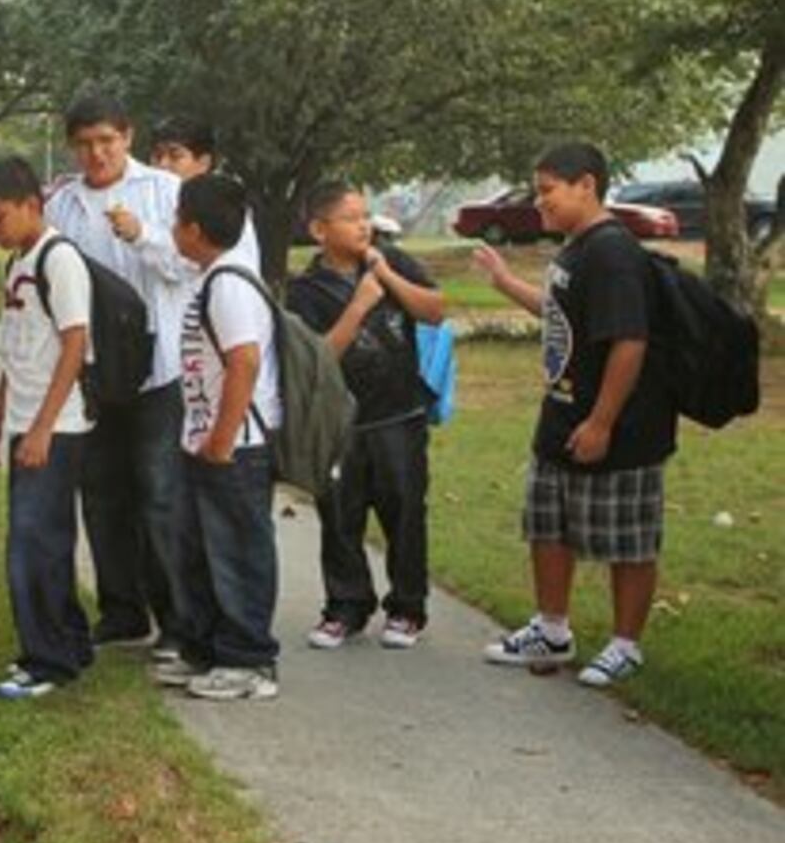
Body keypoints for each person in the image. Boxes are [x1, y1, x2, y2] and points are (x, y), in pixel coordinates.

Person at [44, 99, 260, 658]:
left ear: (127, 137)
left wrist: (143, 236)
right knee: (102, 495)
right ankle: (122, 610)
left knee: (163, 497)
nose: (97, 153)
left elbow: (194, 265)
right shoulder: (63, 204)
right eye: (85, 143)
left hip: (160, 369)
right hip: (94, 373)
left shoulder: (165, 193)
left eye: (107, 141)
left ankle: (181, 621)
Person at [473, 142, 677, 687]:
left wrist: (602, 421)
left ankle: (625, 644)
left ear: (586, 185)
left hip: (621, 428)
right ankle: (552, 628)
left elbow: (629, 341)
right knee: (548, 526)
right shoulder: (576, 248)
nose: (540, 203)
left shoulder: (613, 253)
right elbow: (563, 315)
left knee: (628, 538)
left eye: (547, 191)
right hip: (561, 414)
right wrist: (505, 283)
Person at [286, 182, 446, 649]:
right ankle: (345, 606)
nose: (364, 225)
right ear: (319, 229)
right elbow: (318, 358)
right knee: (340, 515)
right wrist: (358, 305)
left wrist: (386, 278)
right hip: (340, 423)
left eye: (366, 215)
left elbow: (435, 311)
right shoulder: (304, 290)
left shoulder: (390, 260)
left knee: (405, 511)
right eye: (351, 217)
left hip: (398, 414)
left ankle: (407, 608)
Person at [156, 173, 283, 701]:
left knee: (237, 552)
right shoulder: (213, 277)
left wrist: (222, 441)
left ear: (194, 227)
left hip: (235, 448)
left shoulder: (229, 283)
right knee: (200, 552)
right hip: (204, 443)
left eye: (177, 218)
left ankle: (250, 661)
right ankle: (205, 649)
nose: (171, 227)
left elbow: (244, 362)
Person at [0, 156, 95, 699]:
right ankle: (68, 644)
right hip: (23, 421)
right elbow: (17, 350)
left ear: (32, 205)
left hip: (58, 426)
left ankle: (47, 661)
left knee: (31, 546)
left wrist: (44, 427)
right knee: (43, 543)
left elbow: (75, 344)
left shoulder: (59, 260)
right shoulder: (16, 263)